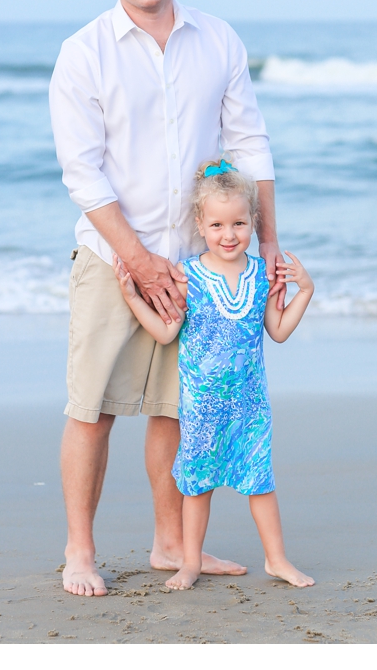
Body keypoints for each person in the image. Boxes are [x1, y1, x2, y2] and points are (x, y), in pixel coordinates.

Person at [49, 0, 284, 597]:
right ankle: (80, 550)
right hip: (112, 257)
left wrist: (267, 242)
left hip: (199, 263)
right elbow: (82, 172)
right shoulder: (84, 52)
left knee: (178, 409)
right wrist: (138, 258)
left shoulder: (218, 40)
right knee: (92, 406)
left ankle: (169, 542)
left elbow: (250, 145)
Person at [112, 159, 315, 590]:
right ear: (201, 224)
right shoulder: (189, 275)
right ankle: (189, 562)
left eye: (239, 223)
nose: (229, 235)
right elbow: (167, 331)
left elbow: (277, 332)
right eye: (218, 224)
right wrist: (132, 298)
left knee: (260, 482)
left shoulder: (262, 275)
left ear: (253, 222)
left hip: (250, 406)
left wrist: (306, 291)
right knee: (197, 487)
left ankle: (277, 559)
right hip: (202, 409)